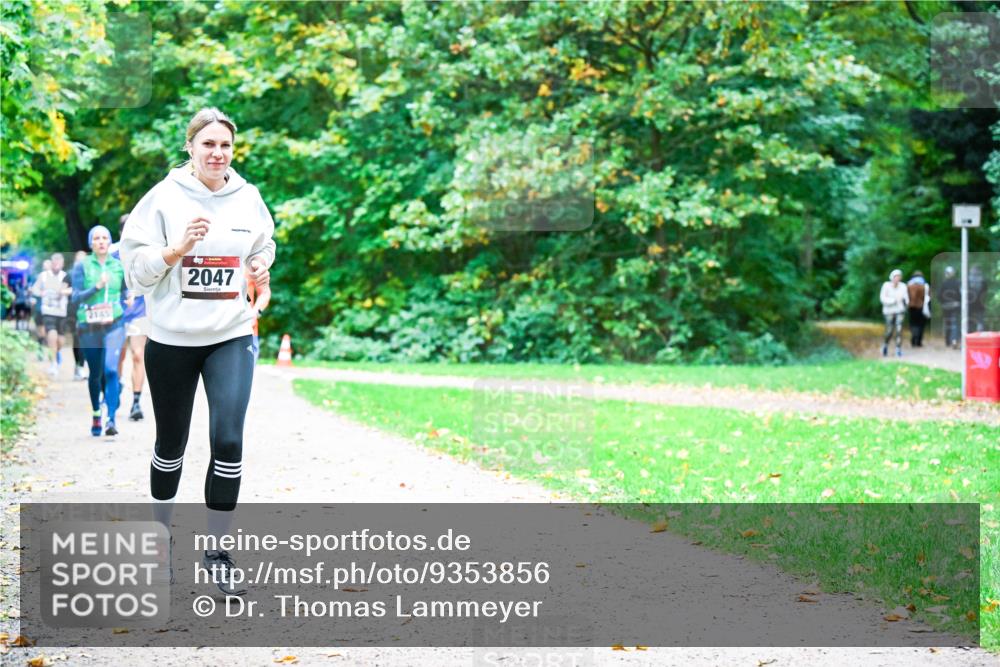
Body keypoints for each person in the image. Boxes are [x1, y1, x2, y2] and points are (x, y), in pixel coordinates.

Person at [120, 107, 274, 595]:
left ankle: (216, 553)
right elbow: (135, 271)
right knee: (171, 447)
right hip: (171, 340)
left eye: (225, 145)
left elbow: (264, 243)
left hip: (230, 333)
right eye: (207, 144)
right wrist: (174, 250)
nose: (217, 152)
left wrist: (259, 264)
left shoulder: (248, 197)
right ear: (190, 147)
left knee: (228, 441)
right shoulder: (162, 199)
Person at [73, 226, 128, 436]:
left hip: (114, 323)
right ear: (91, 243)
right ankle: (97, 412)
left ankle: (111, 420)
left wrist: (128, 296)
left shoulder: (118, 266)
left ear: (109, 241)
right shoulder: (82, 266)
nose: (101, 241)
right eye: (97, 238)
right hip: (89, 326)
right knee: (95, 374)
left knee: (111, 370)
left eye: (105, 237)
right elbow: (75, 298)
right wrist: (96, 287)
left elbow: (124, 290)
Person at [113, 214, 150, 421]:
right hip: (117, 314)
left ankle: (136, 403)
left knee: (138, 355)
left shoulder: (145, 251)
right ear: (121, 231)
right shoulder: (111, 253)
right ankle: (114, 392)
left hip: (139, 312)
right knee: (119, 356)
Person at [31, 253, 74, 377]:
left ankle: (55, 353)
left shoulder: (66, 276)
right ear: (51, 263)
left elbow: (74, 290)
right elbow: (35, 289)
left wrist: (64, 292)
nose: (56, 265)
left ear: (62, 264)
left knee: (61, 340)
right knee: (51, 334)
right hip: (48, 311)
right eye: (54, 262)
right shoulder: (43, 276)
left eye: (59, 263)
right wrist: (42, 293)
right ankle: (54, 363)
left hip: (62, 311)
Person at [69, 250, 89, 380]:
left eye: (84, 258)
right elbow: (61, 289)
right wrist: (72, 291)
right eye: (79, 258)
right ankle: (78, 366)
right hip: (72, 310)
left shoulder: (92, 273)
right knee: (77, 341)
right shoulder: (70, 274)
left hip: (88, 311)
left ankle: (81, 367)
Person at [879, 268, 908, 357]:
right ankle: (885, 345)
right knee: (890, 330)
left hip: (900, 310)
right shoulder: (886, 285)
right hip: (889, 311)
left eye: (899, 277)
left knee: (899, 329)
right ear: (892, 277)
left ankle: (898, 349)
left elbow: (906, 298)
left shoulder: (903, 286)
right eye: (896, 276)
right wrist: (893, 301)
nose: (897, 278)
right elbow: (882, 298)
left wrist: (905, 303)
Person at [906, 270, 931, 348]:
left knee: (913, 323)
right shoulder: (925, 286)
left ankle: (913, 338)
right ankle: (918, 341)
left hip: (911, 307)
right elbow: (929, 297)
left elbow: (905, 297)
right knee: (921, 324)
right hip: (922, 307)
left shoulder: (908, 285)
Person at [939, 266, 961, 349]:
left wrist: (943, 302)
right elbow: (960, 294)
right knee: (954, 324)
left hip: (946, 307)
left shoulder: (944, 283)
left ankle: (948, 341)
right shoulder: (957, 283)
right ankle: (954, 340)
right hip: (954, 306)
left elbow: (939, 295)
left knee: (948, 323)